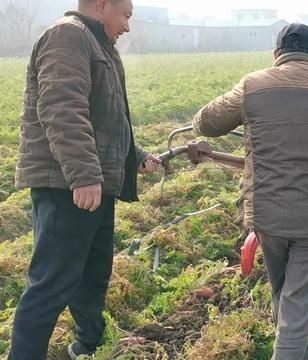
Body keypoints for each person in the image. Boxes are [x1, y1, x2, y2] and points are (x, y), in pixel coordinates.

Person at [192, 23, 308, 360]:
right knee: (296, 310)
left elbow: (207, 122)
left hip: (268, 216)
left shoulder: (252, 85)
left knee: (283, 293)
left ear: (276, 55)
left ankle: (295, 351)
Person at [10, 0, 160, 359]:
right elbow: (62, 108)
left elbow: (108, 117)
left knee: (93, 277)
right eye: (125, 16)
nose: (127, 27)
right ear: (102, 5)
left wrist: (134, 157)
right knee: (51, 284)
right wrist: (84, 175)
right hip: (68, 185)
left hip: (93, 184)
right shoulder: (68, 36)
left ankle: (86, 347)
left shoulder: (99, 44)